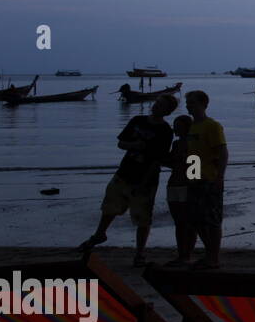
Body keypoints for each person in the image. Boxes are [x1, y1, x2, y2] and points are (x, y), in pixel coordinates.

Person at [79, 93, 178, 266]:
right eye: (157, 102)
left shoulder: (165, 131)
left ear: (167, 111)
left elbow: (158, 159)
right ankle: (99, 234)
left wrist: (145, 180)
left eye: (161, 105)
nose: (156, 106)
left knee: (143, 217)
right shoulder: (137, 121)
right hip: (124, 172)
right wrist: (134, 145)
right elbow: (121, 143)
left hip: (145, 178)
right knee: (110, 207)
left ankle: (139, 253)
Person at [184, 90, 228, 270]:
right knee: (195, 219)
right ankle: (210, 253)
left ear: (203, 104)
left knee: (212, 220)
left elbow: (222, 152)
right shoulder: (192, 127)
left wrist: (219, 177)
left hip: (210, 179)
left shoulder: (212, 126)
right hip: (195, 178)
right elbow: (193, 154)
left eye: (192, 103)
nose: (188, 106)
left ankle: (214, 257)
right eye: (188, 103)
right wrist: (191, 176)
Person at [163, 115, 197, 267]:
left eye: (178, 125)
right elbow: (171, 163)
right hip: (173, 184)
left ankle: (187, 254)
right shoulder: (176, 144)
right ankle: (182, 254)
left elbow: (194, 168)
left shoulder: (193, 144)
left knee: (188, 222)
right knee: (178, 222)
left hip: (186, 185)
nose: (175, 128)